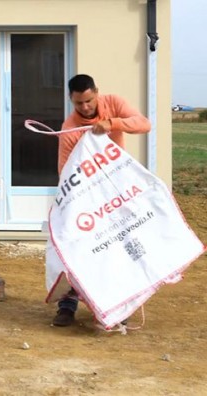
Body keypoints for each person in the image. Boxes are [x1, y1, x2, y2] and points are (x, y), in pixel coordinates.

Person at [52, 74, 151, 327]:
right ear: (70, 100)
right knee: (76, 247)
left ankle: (119, 305)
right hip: (87, 195)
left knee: (118, 245)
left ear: (97, 92)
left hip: (117, 190)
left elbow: (143, 124)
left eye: (89, 101)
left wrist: (112, 123)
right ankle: (67, 304)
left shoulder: (114, 103)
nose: (85, 107)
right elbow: (65, 172)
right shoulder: (70, 128)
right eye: (78, 104)